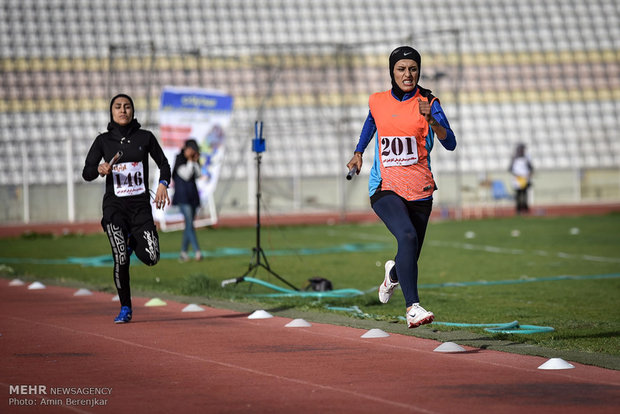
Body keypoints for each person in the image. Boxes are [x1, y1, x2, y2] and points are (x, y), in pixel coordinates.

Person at [346, 46, 457, 328]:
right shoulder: (378, 101)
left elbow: (450, 142)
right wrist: (359, 152)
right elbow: (371, 123)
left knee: (410, 253)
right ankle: (412, 308)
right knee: (406, 237)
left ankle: (392, 275)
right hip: (385, 187)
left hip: (420, 189)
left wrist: (431, 120)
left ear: (418, 71)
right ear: (392, 72)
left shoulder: (429, 102)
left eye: (413, 68)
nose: (407, 74)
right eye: (401, 69)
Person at [82, 94, 171, 324]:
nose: (123, 110)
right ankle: (125, 307)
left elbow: (164, 164)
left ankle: (132, 241)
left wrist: (163, 184)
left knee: (152, 258)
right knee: (121, 257)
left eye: (127, 106)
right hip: (115, 208)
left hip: (140, 209)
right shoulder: (103, 141)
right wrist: (100, 169)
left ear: (133, 110)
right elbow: (87, 172)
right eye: (118, 107)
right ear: (112, 112)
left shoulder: (145, 137)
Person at [172, 138, 202, 262]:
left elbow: (199, 174)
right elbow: (187, 175)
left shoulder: (194, 161)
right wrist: (190, 160)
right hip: (183, 197)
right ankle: (197, 251)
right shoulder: (179, 160)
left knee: (189, 225)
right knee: (189, 222)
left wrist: (194, 161)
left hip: (193, 196)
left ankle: (183, 253)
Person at [509, 143, 533, 214]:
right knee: (518, 195)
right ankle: (518, 209)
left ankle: (525, 208)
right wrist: (516, 175)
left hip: (525, 179)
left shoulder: (526, 158)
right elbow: (510, 169)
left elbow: (530, 168)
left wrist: (529, 174)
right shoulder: (514, 158)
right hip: (517, 179)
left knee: (525, 194)